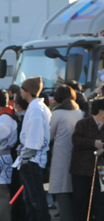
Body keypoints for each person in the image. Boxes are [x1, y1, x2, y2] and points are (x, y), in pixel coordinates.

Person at [70, 97, 104, 221]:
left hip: (98, 170)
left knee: (100, 201)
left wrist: (103, 151)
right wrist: (92, 143)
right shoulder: (83, 123)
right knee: (80, 201)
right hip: (80, 169)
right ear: (101, 110)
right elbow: (76, 140)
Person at [17, 76, 52, 221]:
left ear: (28, 91)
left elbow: (34, 137)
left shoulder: (36, 109)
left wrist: (25, 158)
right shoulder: (37, 107)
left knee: (36, 199)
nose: (20, 92)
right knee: (32, 199)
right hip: (32, 158)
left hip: (32, 159)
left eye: (22, 89)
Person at [49, 84, 83, 221]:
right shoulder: (78, 111)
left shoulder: (57, 113)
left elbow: (49, 135)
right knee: (72, 188)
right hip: (76, 154)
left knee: (61, 188)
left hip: (60, 154)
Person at [0, 89, 18, 220]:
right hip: (5, 157)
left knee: (2, 193)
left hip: (2, 157)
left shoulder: (4, 118)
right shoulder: (9, 115)